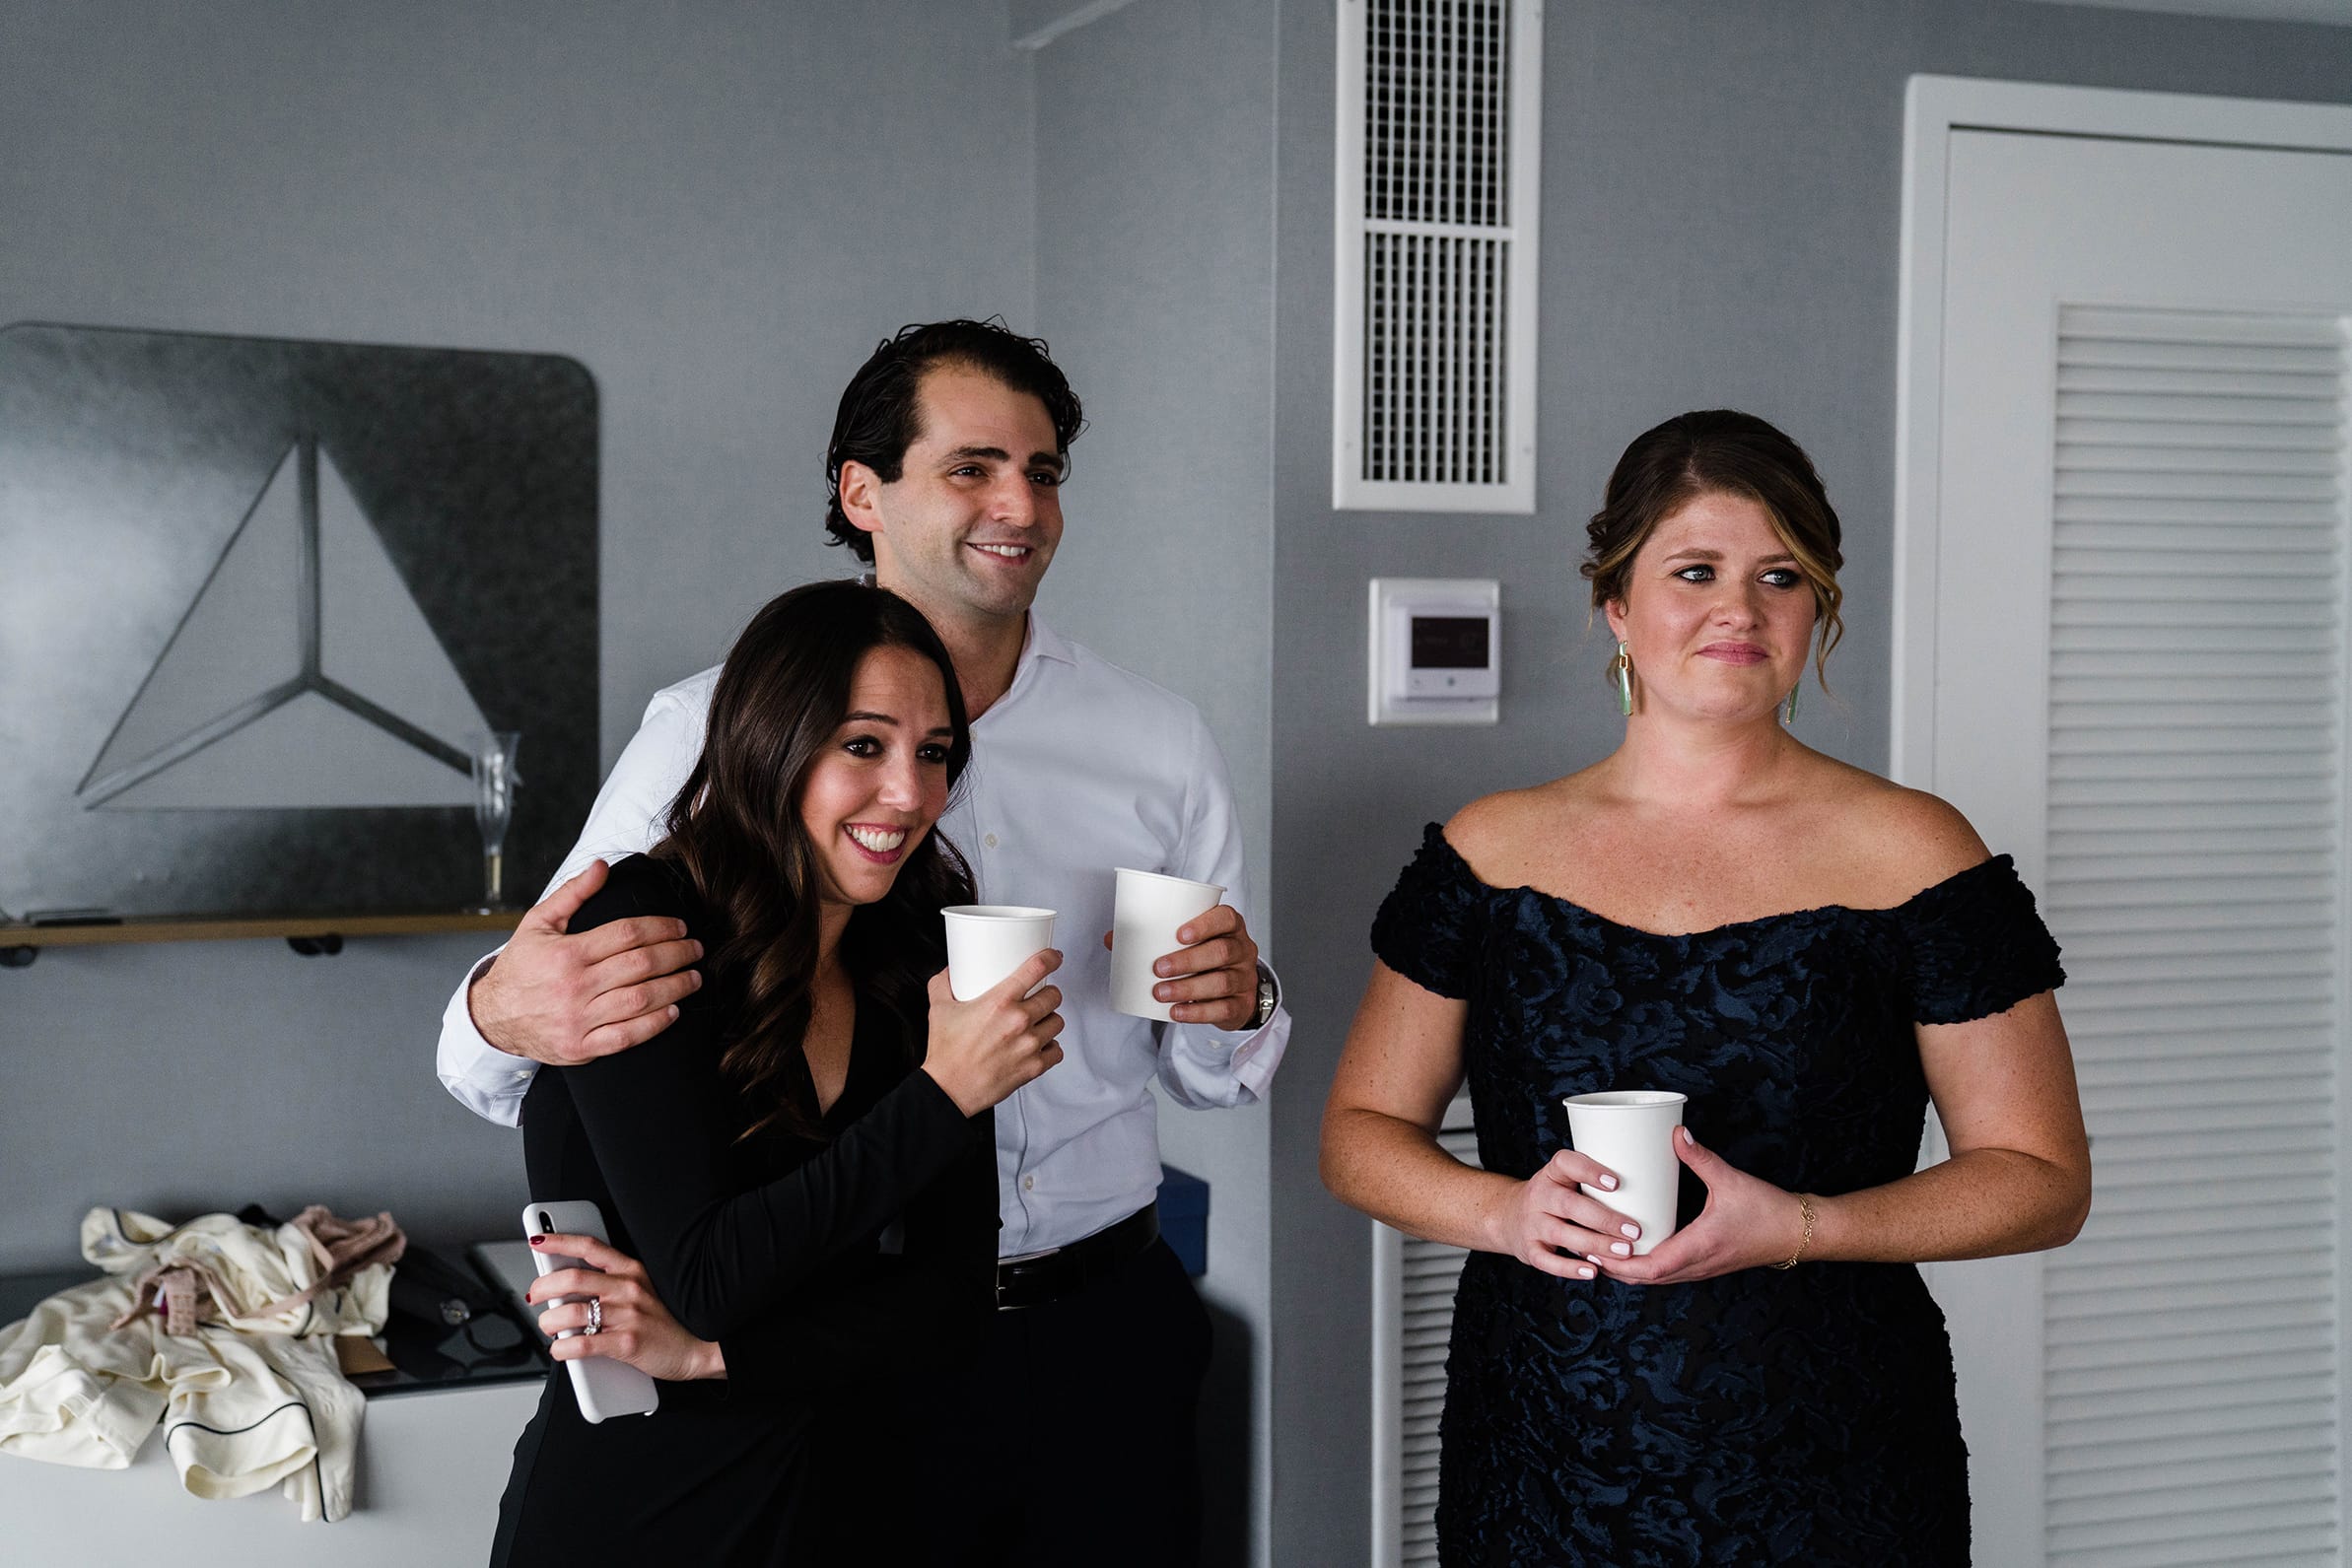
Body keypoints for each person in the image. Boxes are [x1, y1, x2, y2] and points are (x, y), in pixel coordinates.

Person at [442, 319, 1289, 1566]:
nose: (1020, 503)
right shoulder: (703, 730)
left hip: (1097, 1318)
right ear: (862, 492)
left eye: (1044, 471)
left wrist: (1240, 1002)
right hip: (839, 1353)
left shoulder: (1155, 740)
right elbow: (529, 1044)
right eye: (973, 466)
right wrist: (496, 1010)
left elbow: (1206, 1071)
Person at [1319, 410, 2092, 1566]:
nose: (1738, 608)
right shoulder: (1489, 855)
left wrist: (1803, 1225)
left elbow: (2041, 1181)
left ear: (1816, 607)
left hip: (1831, 1465)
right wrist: (1501, 1210)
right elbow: (1359, 1133)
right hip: (1538, 1454)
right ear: (1615, 605)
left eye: (1779, 575)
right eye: (1695, 571)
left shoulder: (1919, 853)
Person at [488, 580, 1059, 1565]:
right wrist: (941, 1096)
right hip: (640, 1510)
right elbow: (708, 1271)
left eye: (933, 753)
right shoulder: (638, 928)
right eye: (864, 744)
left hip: (857, 1501)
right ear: (772, 739)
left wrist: (711, 1355)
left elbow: (953, 1299)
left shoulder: (919, 947)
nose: (911, 793)